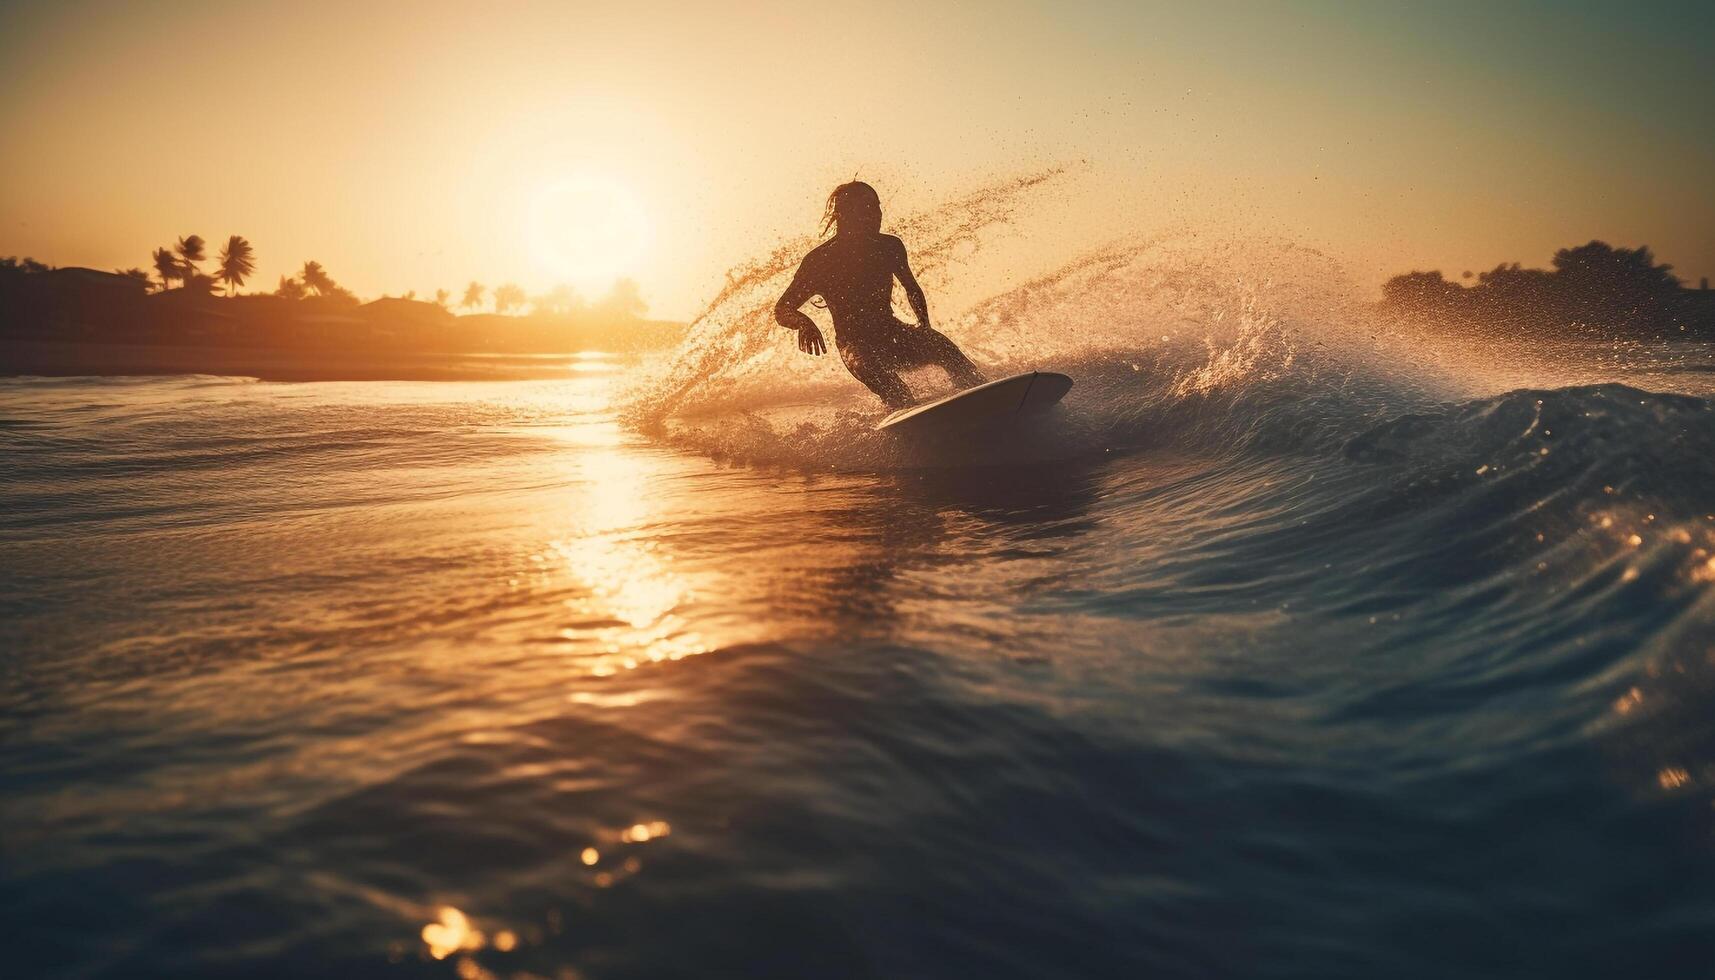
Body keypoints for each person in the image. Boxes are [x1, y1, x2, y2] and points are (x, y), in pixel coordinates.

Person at [774, 181, 986, 409]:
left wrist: (924, 326)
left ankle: (985, 400)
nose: (875, 215)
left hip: (893, 333)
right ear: (845, 215)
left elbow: (911, 288)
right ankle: (906, 421)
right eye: (865, 209)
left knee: (945, 350)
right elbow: (782, 308)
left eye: (876, 207)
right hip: (856, 347)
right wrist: (804, 323)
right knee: (898, 394)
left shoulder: (889, 247)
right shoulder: (820, 261)